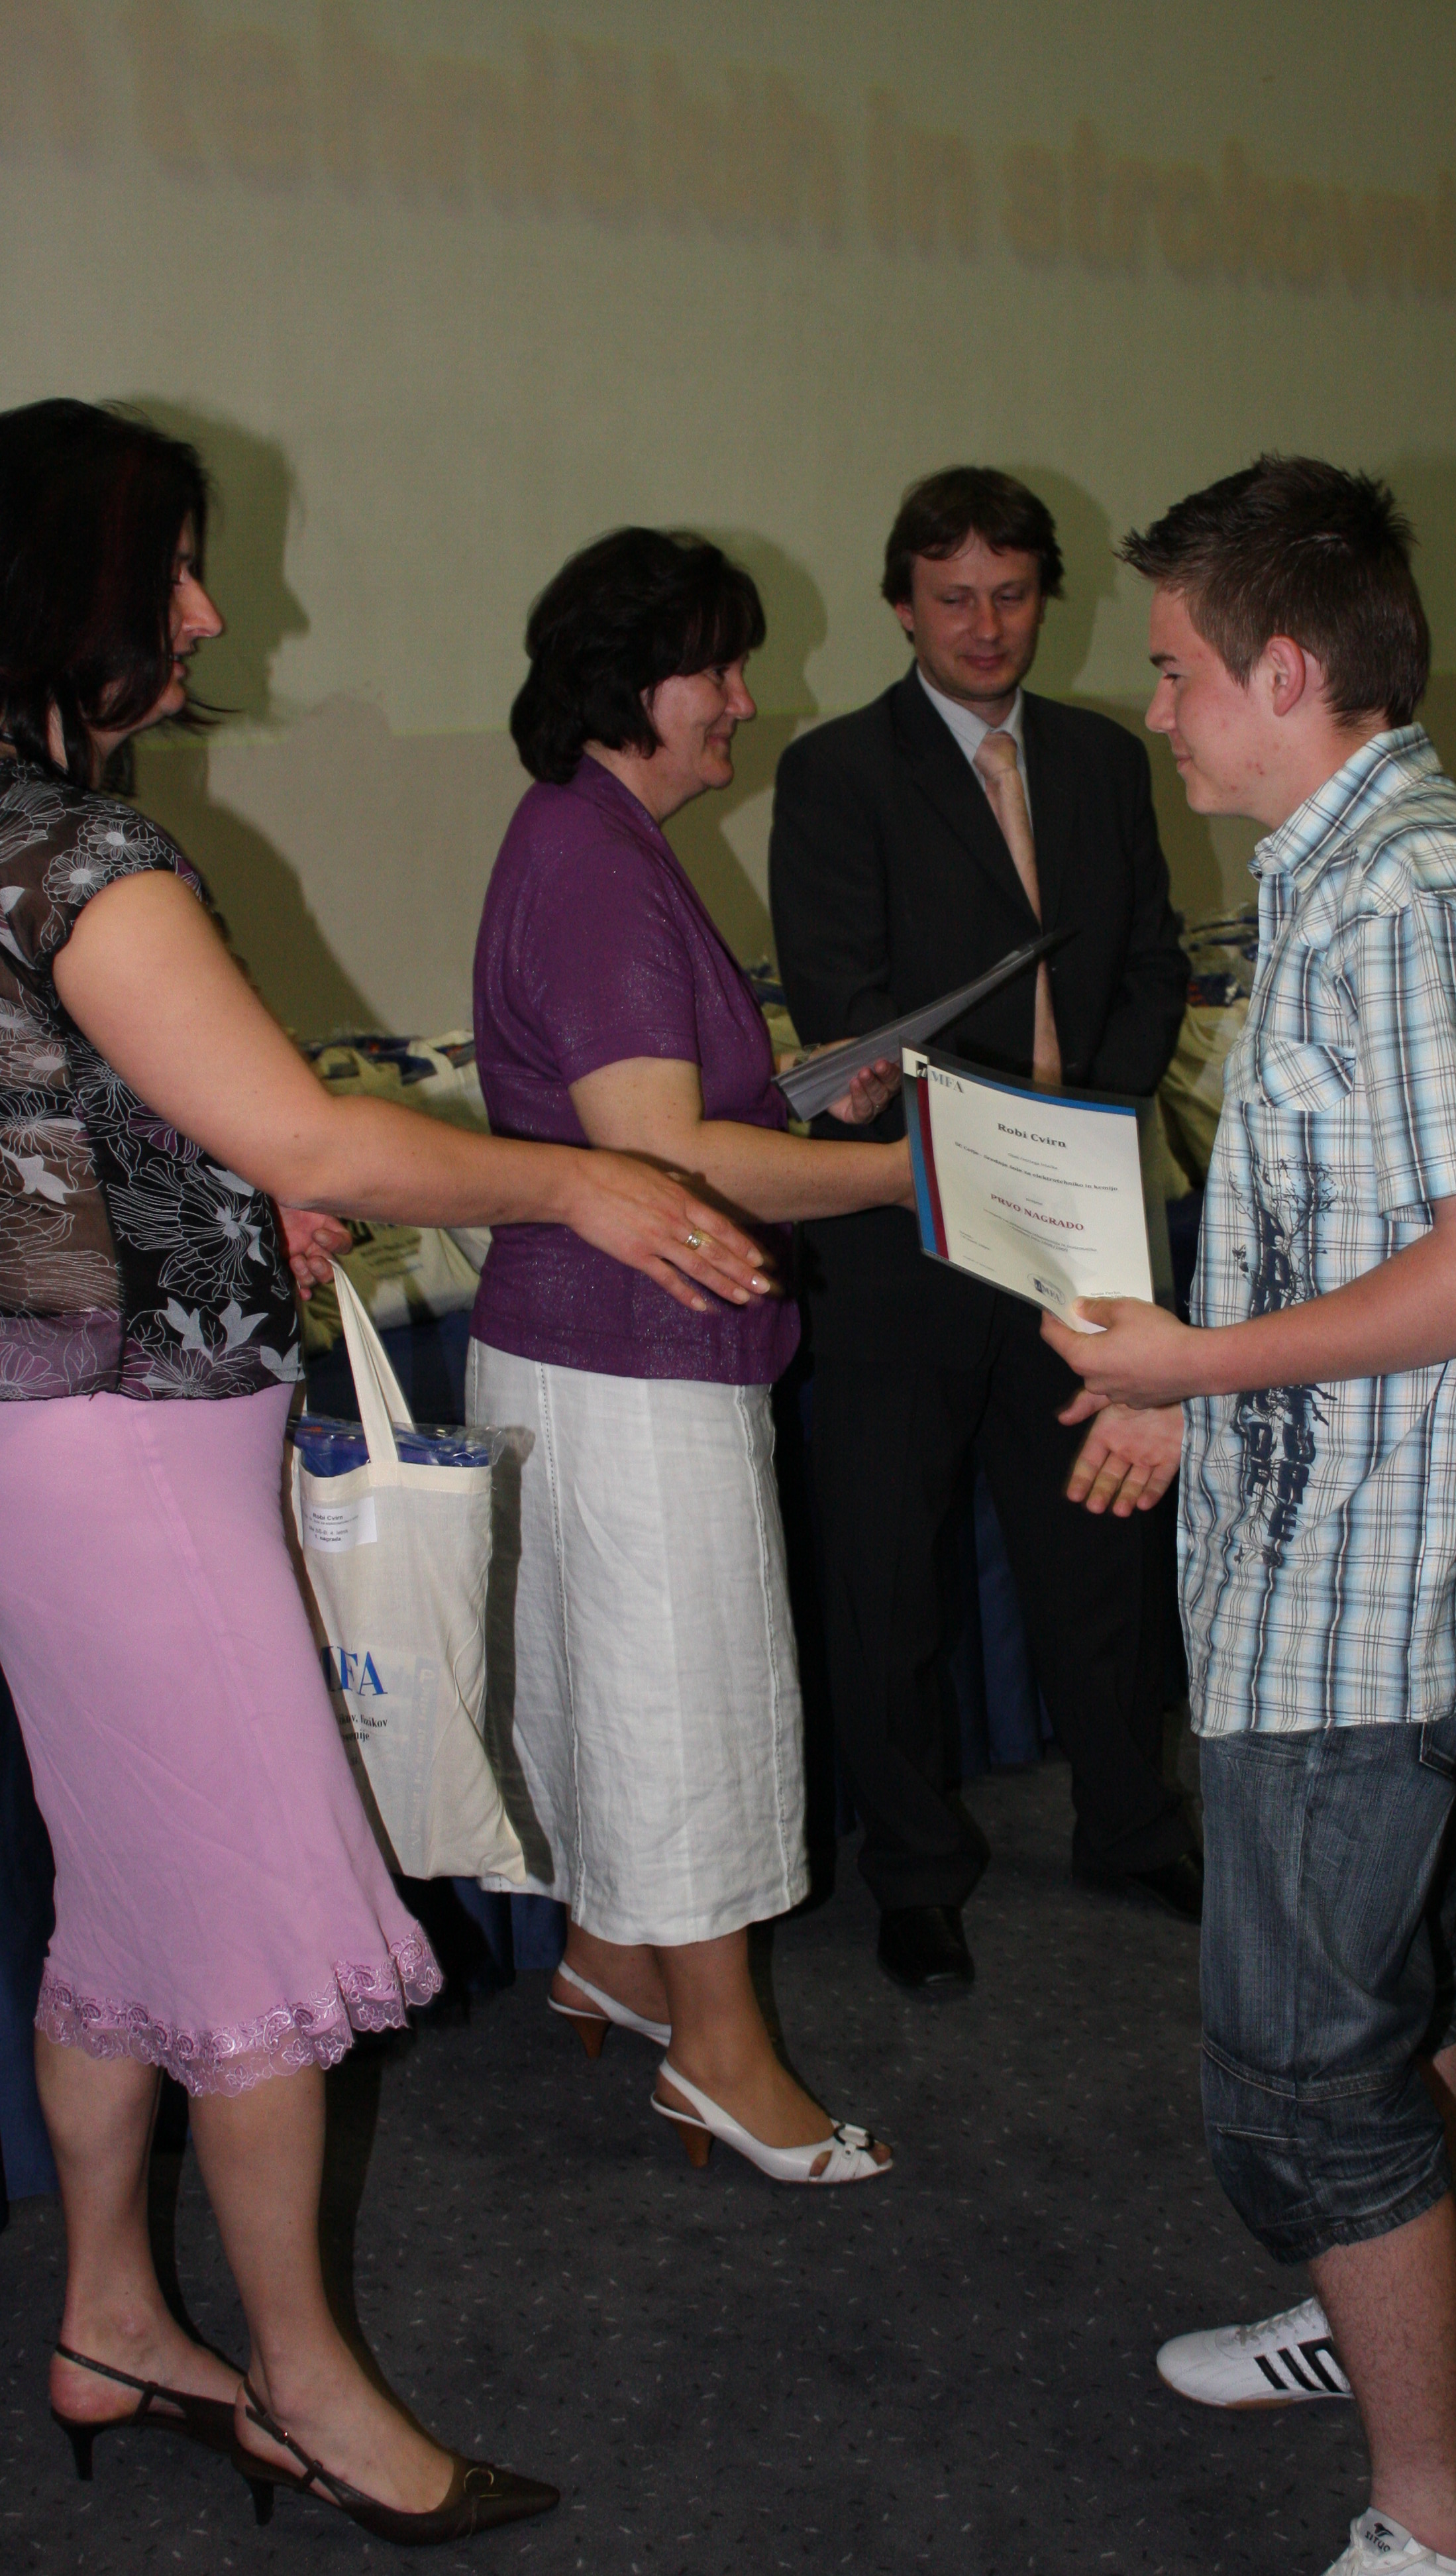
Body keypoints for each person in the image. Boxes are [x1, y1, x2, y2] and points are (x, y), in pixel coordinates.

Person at [0, 400, 773, 2543]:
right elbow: (312, 1125)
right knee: (259, 1951)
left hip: (59, 1446)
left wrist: (228, 1207)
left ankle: (108, 2316)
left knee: (126, 1915)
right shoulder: (79, 854)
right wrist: (580, 1179)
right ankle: (310, 2385)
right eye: (171, 568)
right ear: (68, 585)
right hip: (127, 1464)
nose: (205, 612)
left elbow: (78, 1134)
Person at [1045, 456, 1456, 2576]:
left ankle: (1435, 2526)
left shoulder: (1416, 891)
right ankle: (1365, 2339)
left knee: (1299, 2079)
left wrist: (1196, 1368)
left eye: (1177, 670)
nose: (1156, 709)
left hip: (1364, 1589)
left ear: (1285, 670)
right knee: (1405, 1983)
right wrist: (1204, 1394)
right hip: (1336, 1540)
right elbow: (1356, 1230)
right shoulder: (1334, 865)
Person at [468, 526, 910, 2183]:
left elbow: (662, 1115)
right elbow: (663, 1162)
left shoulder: (594, 837)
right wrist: (912, 1175)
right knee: (688, 1703)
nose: (743, 699)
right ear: (627, 685)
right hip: (630, 1361)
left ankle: (612, 1955)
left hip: (598, 1353)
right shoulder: (596, 863)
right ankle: (719, 2056)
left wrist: (806, 1093)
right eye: (716, 669)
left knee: (617, 1682)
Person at [768, 466, 1198, 1998]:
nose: (985, 625)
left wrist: (1093, 1116)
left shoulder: (1101, 758)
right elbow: (838, 990)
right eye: (953, 598)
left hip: (1079, 1226)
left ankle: (1130, 1823)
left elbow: (1153, 961)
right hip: (908, 1233)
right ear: (903, 607)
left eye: (1011, 595)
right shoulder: (836, 772)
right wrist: (982, 1137)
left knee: (1099, 1545)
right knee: (892, 1573)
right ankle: (915, 1872)